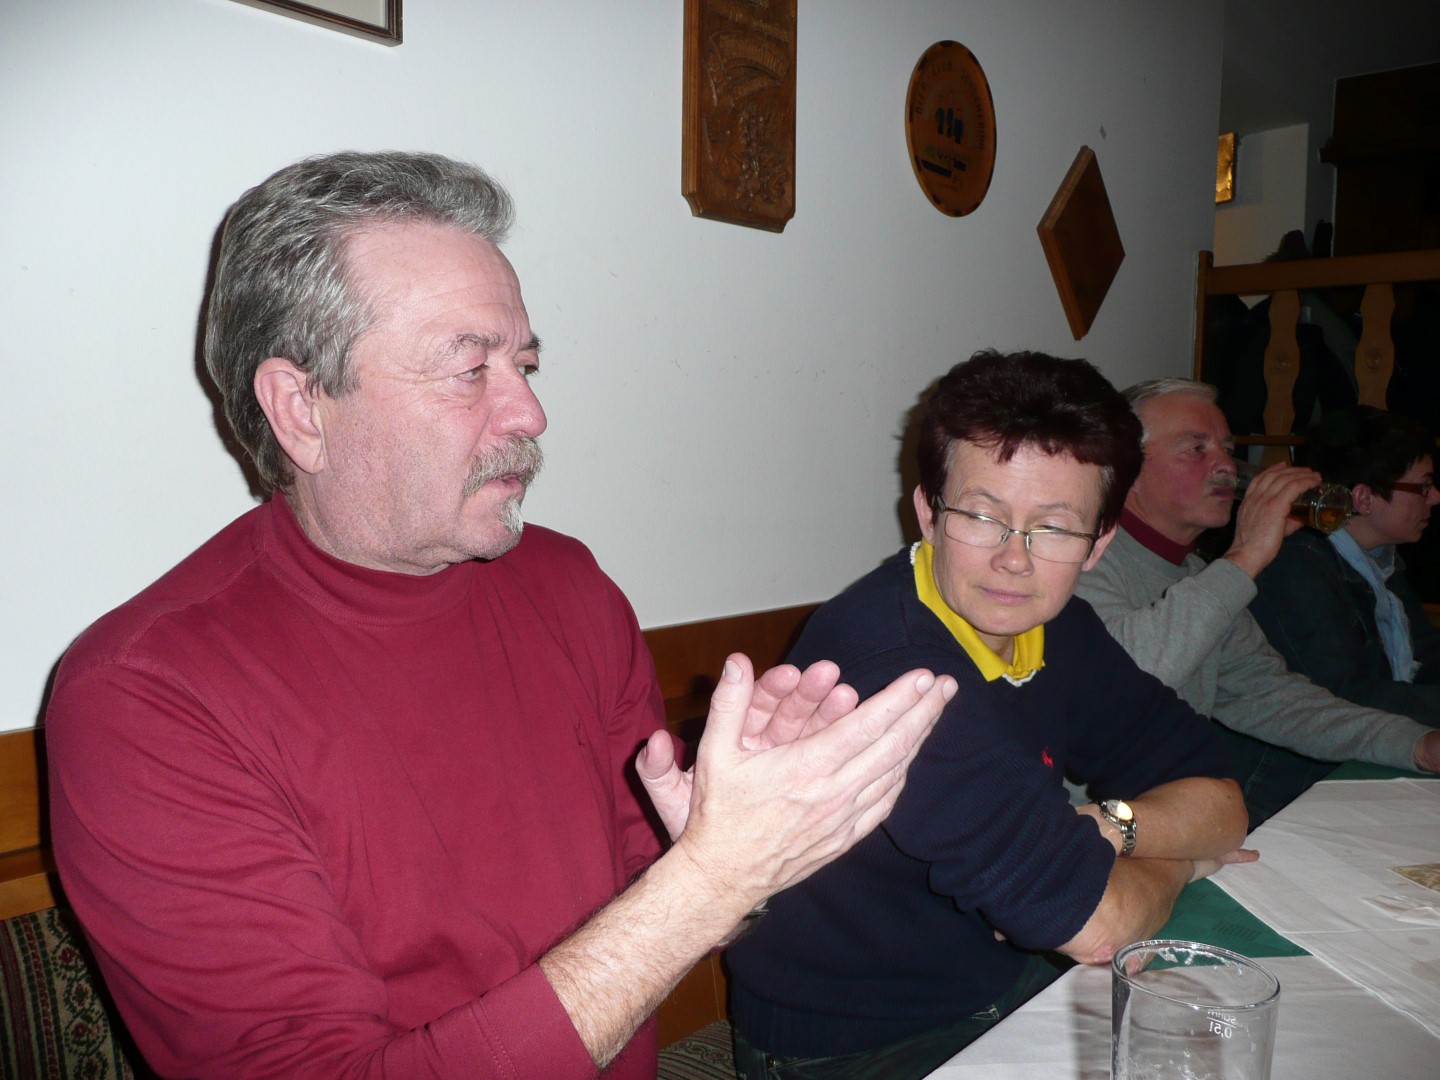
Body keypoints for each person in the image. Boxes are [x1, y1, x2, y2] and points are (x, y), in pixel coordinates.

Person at [42, 151, 957, 1080]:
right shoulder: (146, 697)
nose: (530, 412)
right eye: (468, 369)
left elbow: (649, 911)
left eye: (524, 364)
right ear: (301, 409)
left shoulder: (567, 587)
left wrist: (721, 835)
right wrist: (711, 878)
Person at [726, 351, 1250, 1080]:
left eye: (1054, 528)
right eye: (982, 516)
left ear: (1099, 544)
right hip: (853, 1041)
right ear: (928, 514)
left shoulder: (1056, 627)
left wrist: (1108, 828)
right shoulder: (890, 667)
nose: (1014, 560)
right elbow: (1099, 929)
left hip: (999, 987)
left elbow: (1222, 797)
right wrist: (1184, 860)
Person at [1074, 379, 1440, 829]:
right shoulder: (1078, 559)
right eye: (1196, 448)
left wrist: (1418, 745)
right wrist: (1245, 555)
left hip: (1171, 823)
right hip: (1084, 831)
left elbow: (1272, 698)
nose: (1226, 465)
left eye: (1228, 448)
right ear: (1125, 467)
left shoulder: (1195, 574)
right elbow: (1124, 686)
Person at [1251, 406, 1440, 726]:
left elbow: (1425, 652)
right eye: (1423, 487)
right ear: (1364, 499)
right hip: (1312, 753)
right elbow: (1342, 695)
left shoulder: (1379, 558)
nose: (1435, 497)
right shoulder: (1294, 569)